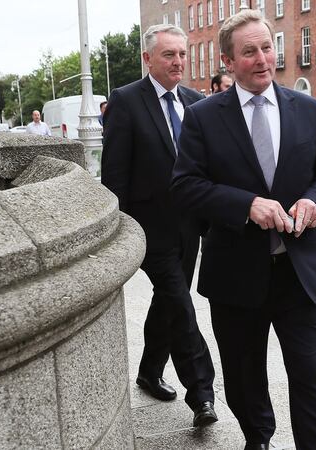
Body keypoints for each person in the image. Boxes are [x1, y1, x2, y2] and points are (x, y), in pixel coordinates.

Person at [171, 10, 316, 449]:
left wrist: (315, 202)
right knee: (245, 380)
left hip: (298, 272)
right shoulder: (204, 117)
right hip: (236, 277)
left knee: (311, 378)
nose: (263, 58)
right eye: (250, 51)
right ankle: (258, 439)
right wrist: (246, 205)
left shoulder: (307, 108)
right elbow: (186, 186)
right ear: (228, 61)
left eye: (267, 47)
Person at [101, 24, 217, 428]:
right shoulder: (126, 101)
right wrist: (119, 229)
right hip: (150, 229)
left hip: (191, 228)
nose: (179, 62)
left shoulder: (196, 101)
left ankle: (150, 372)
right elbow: (114, 174)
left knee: (169, 300)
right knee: (181, 307)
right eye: (169, 55)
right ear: (148, 59)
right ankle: (202, 394)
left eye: (182, 54)